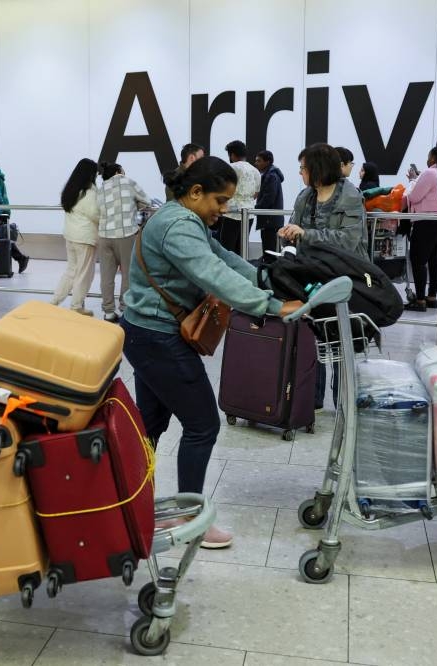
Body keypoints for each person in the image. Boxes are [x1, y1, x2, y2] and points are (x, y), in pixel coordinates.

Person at [123, 156, 302, 549]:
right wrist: (271, 306)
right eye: (219, 201)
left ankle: (133, 511)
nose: (223, 210)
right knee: (203, 424)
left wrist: (266, 280)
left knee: (148, 431)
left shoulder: (181, 217)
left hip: (145, 333)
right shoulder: (178, 225)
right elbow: (212, 273)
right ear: (195, 192)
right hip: (158, 338)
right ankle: (191, 517)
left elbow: (224, 259)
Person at [279, 143, 367, 410]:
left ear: (317, 169)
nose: (300, 173)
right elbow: (297, 229)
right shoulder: (305, 197)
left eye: (303, 168)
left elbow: (348, 241)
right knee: (311, 337)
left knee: (341, 339)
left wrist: (306, 234)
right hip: (311, 275)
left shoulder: (350, 196)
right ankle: (311, 399)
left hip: (344, 279)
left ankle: (344, 401)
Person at [96, 161, 149, 322]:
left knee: (106, 275)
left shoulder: (102, 188)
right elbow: (146, 201)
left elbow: (97, 210)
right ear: (119, 170)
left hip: (104, 235)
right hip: (126, 233)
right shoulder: (128, 182)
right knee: (127, 273)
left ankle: (109, 312)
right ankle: (125, 309)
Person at [402, 145, 437, 311]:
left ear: (434, 158)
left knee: (418, 260)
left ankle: (420, 300)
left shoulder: (430, 172)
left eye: (429, 156)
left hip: (425, 220)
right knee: (435, 261)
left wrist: (413, 181)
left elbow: (414, 196)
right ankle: (431, 297)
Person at [52, 158, 100, 315]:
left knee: (71, 271)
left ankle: (54, 301)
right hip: (85, 238)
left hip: (71, 236)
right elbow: (95, 214)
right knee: (84, 273)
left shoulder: (71, 189)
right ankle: (76, 306)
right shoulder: (89, 192)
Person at [216, 140, 261, 255]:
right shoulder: (255, 171)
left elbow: (221, 189)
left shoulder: (230, 168)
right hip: (248, 214)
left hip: (231, 213)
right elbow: (256, 194)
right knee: (242, 249)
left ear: (232, 155)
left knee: (226, 249)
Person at [253, 150, 285, 257]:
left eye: (259, 161)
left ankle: (269, 273)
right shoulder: (270, 175)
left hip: (270, 221)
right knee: (270, 251)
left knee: (269, 253)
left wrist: (255, 208)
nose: (256, 163)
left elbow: (268, 198)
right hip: (271, 220)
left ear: (267, 162)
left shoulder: (271, 176)